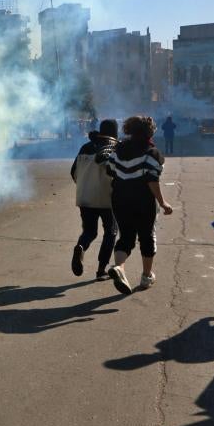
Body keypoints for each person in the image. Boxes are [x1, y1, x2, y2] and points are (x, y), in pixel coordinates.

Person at [102, 116, 174, 295]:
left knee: (126, 237)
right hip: (143, 200)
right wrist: (162, 202)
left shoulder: (118, 149)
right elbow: (152, 179)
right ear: (150, 132)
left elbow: (110, 170)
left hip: (119, 199)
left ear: (129, 130)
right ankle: (146, 276)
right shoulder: (152, 153)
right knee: (146, 237)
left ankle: (119, 267)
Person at [69, 119, 119, 280]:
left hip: (85, 197)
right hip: (107, 198)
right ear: (115, 132)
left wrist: (84, 185)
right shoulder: (115, 148)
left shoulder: (85, 147)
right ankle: (101, 270)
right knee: (111, 232)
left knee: (89, 231)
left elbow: (74, 172)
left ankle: (81, 246)